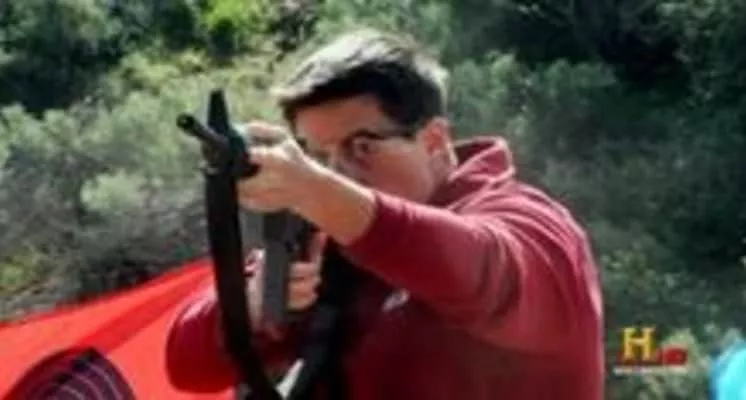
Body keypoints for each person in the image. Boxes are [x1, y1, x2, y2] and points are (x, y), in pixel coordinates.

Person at [165, 29, 605, 399]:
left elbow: (480, 271)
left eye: (361, 147)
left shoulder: (534, 224)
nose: (336, 173)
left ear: (434, 140)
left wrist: (316, 190)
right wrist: (255, 303)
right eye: (317, 156)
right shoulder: (323, 245)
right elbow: (186, 367)